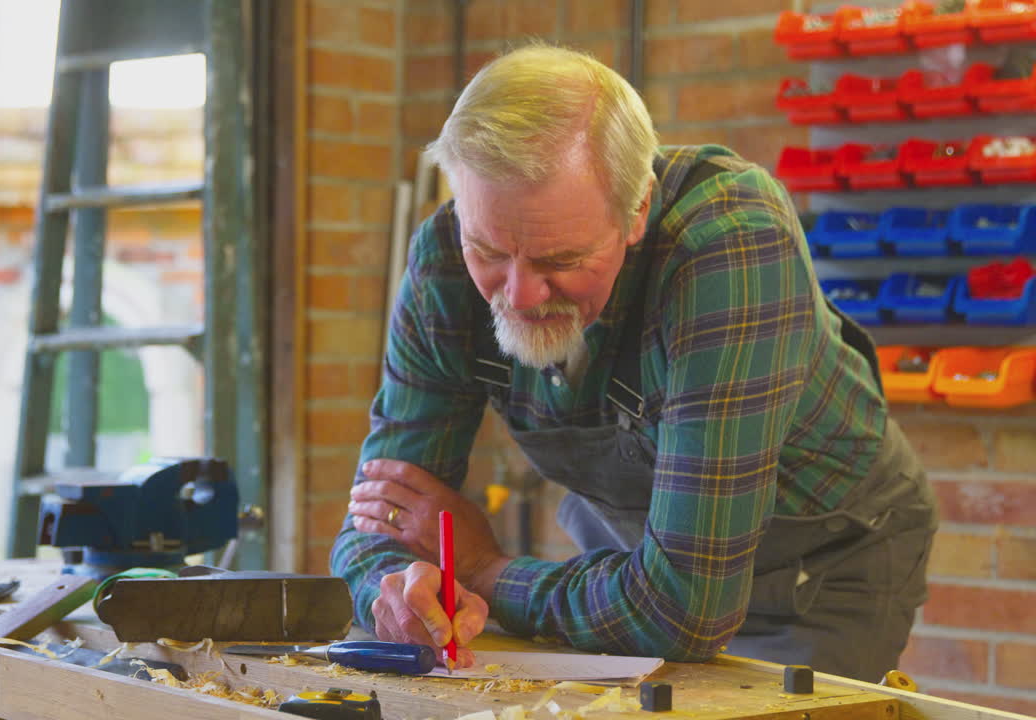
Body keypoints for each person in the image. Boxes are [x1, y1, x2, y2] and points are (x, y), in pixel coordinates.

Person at [330, 43, 938, 682]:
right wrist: (393, 589)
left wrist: (484, 573)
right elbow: (377, 518)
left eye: (560, 260)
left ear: (637, 208)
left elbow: (686, 612)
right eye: (489, 251)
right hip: (635, 562)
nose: (519, 295)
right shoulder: (444, 263)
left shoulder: (730, 242)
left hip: (818, 567)